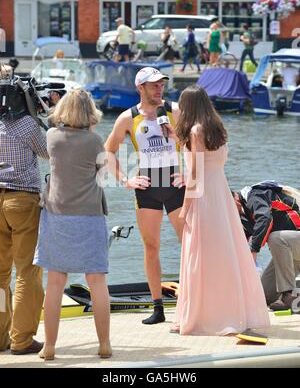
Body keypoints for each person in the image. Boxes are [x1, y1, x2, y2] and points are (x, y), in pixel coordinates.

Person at [170, 85, 270, 335]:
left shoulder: (195, 131)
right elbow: (209, 165)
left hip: (203, 196)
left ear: (188, 106)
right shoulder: (216, 128)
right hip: (220, 195)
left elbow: (195, 174)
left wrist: (184, 209)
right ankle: (231, 310)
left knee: (199, 256)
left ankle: (199, 316)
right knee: (225, 255)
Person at [33, 90, 111, 360]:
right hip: (89, 216)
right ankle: (104, 344)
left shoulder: (53, 138)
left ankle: (50, 346)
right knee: (97, 281)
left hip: (57, 216)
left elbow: (53, 126)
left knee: (54, 283)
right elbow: (103, 176)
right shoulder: (95, 141)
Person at [105, 67, 185, 325]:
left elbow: (198, 143)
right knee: (151, 247)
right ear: (140, 87)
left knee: (190, 245)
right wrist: (125, 180)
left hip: (176, 184)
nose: (159, 88)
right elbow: (108, 152)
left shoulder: (174, 110)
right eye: (153, 85)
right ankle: (158, 307)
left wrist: (190, 176)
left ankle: (193, 301)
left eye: (161, 83)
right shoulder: (127, 118)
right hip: (147, 188)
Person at [0, 65, 48, 354]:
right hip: (23, 200)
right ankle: (22, 339)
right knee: (27, 273)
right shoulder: (27, 126)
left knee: (0, 276)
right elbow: (48, 151)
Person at [232, 181, 300, 311]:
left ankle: (288, 294)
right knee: (262, 296)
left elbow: (265, 219)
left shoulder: (255, 195)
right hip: (292, 254)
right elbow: (239, 249)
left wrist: (253, 251)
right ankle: (295, 293)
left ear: (235, 199)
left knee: (276, 238)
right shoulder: (242, 218)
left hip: (294, 243)